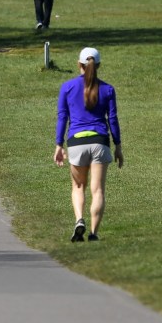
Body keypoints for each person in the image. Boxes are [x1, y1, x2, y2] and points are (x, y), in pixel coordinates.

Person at [54, 47, 124, 242]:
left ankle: (79, 220)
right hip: (100, 141)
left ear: (79, 65)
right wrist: (118, 145)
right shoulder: (108, 89)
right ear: (98, 66)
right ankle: (93, 233)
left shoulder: (67, 87)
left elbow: (62, 117)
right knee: (98, 190)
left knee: (78, 187)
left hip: (76, 142)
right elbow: (113, 120)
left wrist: (59, 145)